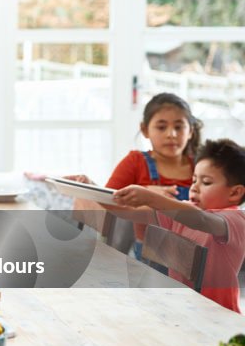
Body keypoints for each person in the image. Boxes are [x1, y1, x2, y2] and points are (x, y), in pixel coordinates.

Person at [109, 139, 245, 313]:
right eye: (194, 180)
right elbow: (126, 212)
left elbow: (201, 220)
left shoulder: (235, 219)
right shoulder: (186, 211)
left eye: (206, 182)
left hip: (218, 315)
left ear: (235, 193)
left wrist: (151, 197)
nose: (194, 187)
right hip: (181, 309)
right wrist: (90, 188)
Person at [65, 93, 202, 254]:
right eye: (161, 127)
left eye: (179, 127)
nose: (171, 134)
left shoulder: (202, 166)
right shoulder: (135, 162)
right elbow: (111, 201)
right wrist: (89, 186)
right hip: (150, 255)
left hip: (197, 251)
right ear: (145, 130)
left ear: (191, 131)